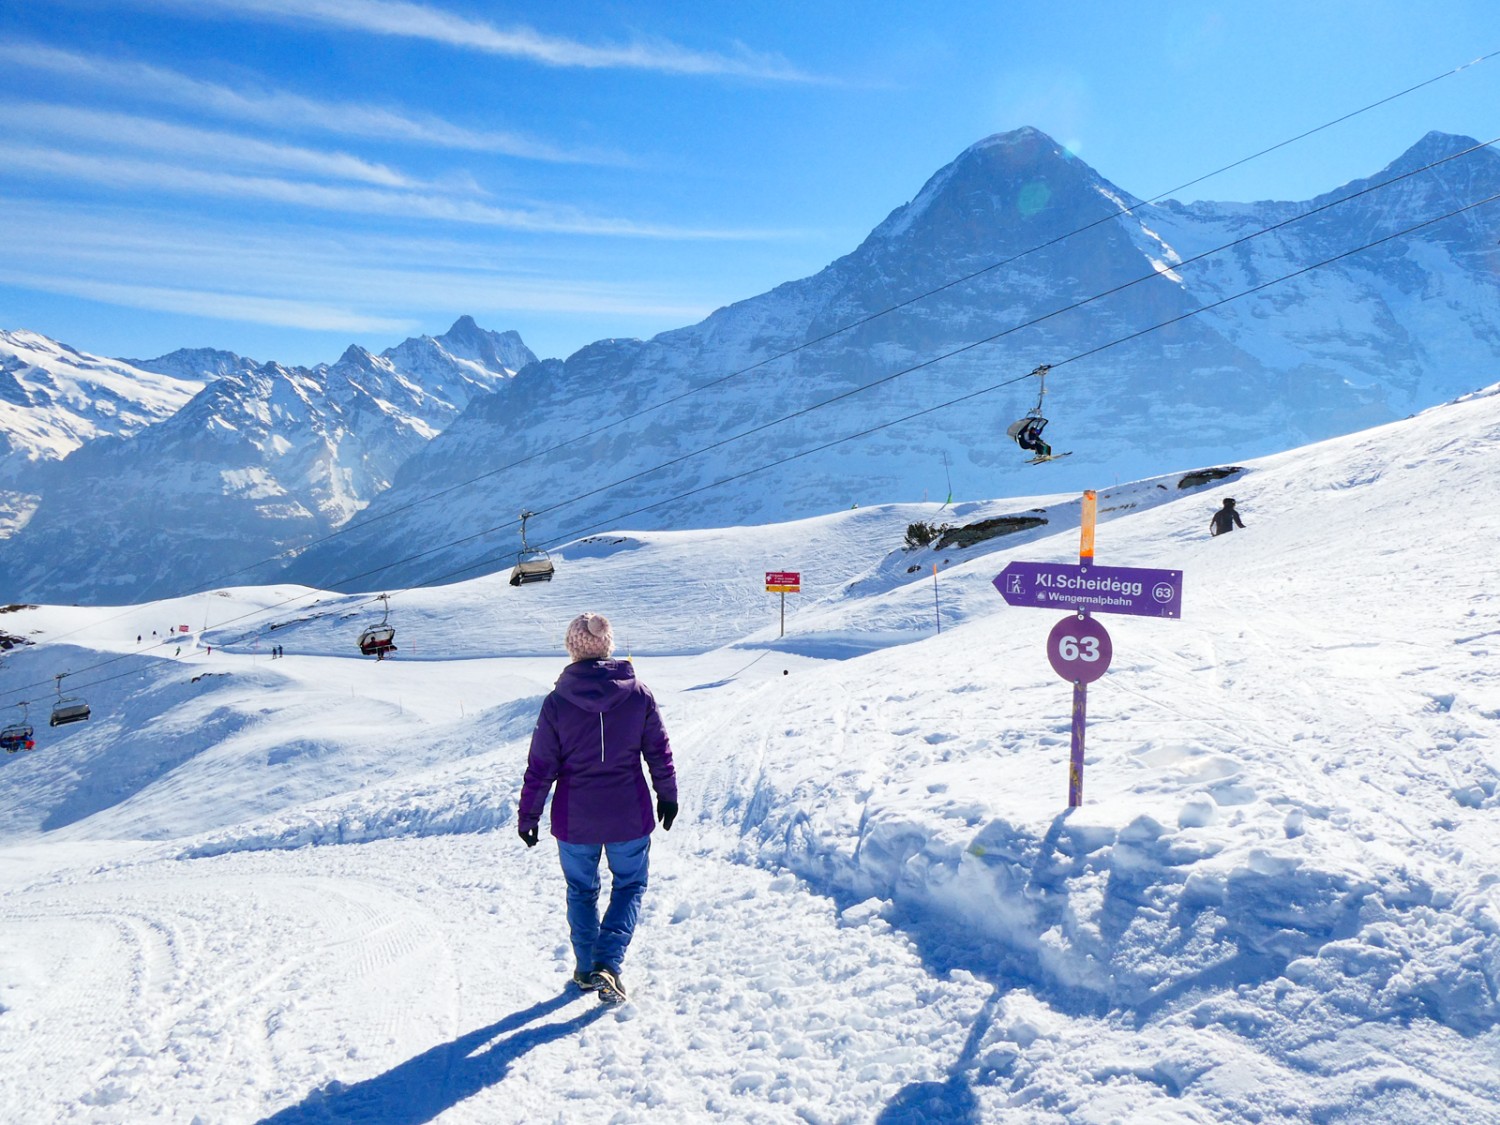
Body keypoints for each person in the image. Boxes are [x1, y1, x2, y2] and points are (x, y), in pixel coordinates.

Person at [518, 612, 677, 1005]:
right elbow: (658, 751)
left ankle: (588, 967)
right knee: (629, 885)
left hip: (576, 819)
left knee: (581, 890)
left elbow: (541, 766)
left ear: (572, 648)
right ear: (607, 646)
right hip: (629, 814)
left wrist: (529, 816)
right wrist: (668, 794)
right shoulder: (638, 693)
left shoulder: (557, 703)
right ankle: (609, 963)